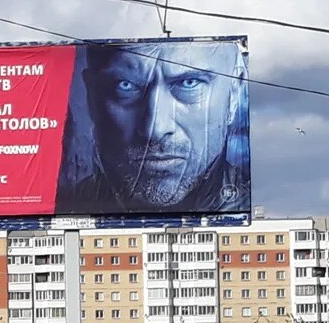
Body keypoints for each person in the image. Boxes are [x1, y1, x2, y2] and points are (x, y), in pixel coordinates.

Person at [56, 40, 249, 215]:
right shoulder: (62, 204)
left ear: (234, 91)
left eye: (189, 83)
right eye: (125, 86)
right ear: (91, 97)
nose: (155, 129)